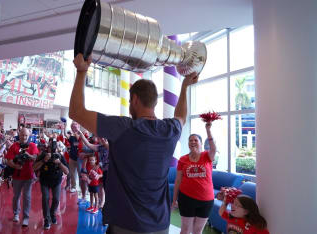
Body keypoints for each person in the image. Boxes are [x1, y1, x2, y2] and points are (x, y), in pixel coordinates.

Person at [69, 53, 199, 233]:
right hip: (160, 226)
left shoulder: (122, 127)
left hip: (126, 225)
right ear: (154, 102)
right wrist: (184, 86)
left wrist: (82, 71)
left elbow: (76, 112)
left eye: (130, 101)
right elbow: (182, 117)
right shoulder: (170, 130)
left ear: (135, 99)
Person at [172, 121, 216, 234]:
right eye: (190, 140)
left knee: (197, 231)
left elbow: (213, 148)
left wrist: (208, 131)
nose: (193, 142)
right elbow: (178, 180)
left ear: (201, 143)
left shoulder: (207, 156)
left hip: (206, 200)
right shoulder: (183, 159)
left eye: (196, 140)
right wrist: (174, 199)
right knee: (185, 230)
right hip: (186, 198)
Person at [5, 128, 39, 227]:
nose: (24, 137)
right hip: (17, 176)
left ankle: (26, 217)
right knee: (16, 196)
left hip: (29, 175)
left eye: (26, 135)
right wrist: (15, 166)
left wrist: (28, 155)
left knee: (27, 196)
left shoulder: (32, 145)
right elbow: (9, 160)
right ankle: (16, 214)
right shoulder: (14, 146)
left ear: (29, 136)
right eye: (22, 135)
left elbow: (36, 158)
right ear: (19, 135)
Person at [33, 138, 69, 230]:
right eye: (50, 147)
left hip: (56, 181)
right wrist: (44, 160)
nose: (52, 149)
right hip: (44, 180)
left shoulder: (59, 156)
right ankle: (47, 219)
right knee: (45, 198)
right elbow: (34, 168)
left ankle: (52, 214)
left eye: (54, 147)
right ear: (47, 147)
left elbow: (67, 171)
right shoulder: (43, 155)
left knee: (56, 199)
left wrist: (59, 163)